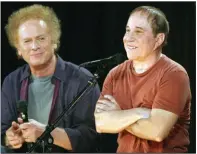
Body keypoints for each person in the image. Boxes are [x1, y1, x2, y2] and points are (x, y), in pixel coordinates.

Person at [1, 4, 100, 153]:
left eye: (41, 38)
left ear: (54, 41)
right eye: (27, 41)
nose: (34, 46)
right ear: (19, 49)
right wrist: (11, 138)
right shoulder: (11, 81)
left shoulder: (83, 79)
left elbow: (90, 137)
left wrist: (45, 133)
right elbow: (3, 131)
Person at [94, 6, 191, 153]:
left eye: (138, 31)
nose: (128, 38)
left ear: (158, 39)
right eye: (127, 30)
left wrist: (118, 115)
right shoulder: (115, 74)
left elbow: (156, 132)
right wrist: (139, 112)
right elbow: (101, 123)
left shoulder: (174, 74)